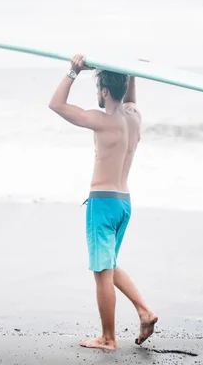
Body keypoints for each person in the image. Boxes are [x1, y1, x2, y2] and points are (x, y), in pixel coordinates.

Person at [48, 55, 158, 350]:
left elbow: (56, 105)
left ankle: (108, 338)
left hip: (103, 203)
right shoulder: (133, 117)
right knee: (109, 264)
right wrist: (132, 72)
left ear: (104, 92)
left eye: (98, 89)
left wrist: (74, 70)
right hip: (124, 203)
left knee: (102, 273)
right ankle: (145, 312)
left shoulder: (102, 121)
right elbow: (131, 98)